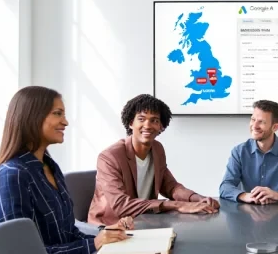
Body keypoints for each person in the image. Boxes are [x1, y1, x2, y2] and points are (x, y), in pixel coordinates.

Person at [0, 86, 129, 254]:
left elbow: (68, 233)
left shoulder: (50, 168)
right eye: (57, 113)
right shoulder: (12, 175)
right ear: (32, 116)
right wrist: (94, 244)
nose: (66, 122)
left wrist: (105, 235)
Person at [88, 94, 219, 227]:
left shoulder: (157, 149)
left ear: (161, 126)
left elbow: (170, 186)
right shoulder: (110, 157)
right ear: (130, 123)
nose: (148, 125)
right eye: (141, 119)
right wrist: (177, 205)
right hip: (110, 227)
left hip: (143, 222)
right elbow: (121, 205)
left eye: (154, 120)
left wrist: (198, 198)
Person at [219, 100, 278, 204]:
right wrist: (246, 196)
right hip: (246, 213)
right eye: (253, 119)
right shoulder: (239, 151)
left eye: (261, 122)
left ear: (275, 127)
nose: (254, 126)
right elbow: (225, 187)